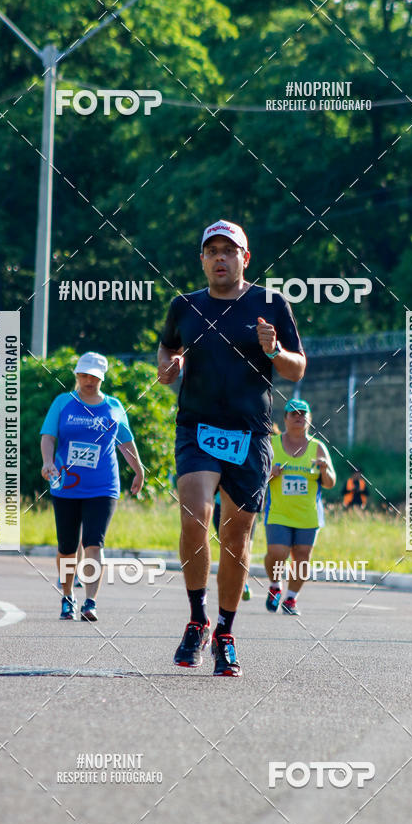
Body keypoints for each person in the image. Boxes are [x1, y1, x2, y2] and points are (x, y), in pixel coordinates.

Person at [158, 218, 306, 676]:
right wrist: (170, 367)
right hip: (197, 428)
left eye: (229, 250)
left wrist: (275, 350)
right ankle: (196, 619)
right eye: (212, 251)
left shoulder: (271, 303)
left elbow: (296, 369)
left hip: (251, 433)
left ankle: (225, 631)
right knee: (196, 515)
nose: (220, 258)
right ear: (202, 259)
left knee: (237, 533)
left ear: (245, 258)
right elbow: (165, 352)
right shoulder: (185, 306)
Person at [40, 352, 144, 621]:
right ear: (77, 376)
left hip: (103, 486)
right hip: (66, 484)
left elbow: (125, 443)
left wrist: (138, 470)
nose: (88, 380)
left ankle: (90, 601)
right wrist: (47, 462)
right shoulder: (63, 402)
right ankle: (67, 596)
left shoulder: (114, 406)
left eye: (94, 376)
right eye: (84, 375)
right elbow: (48, 437)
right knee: (67, 545)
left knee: (93, 543)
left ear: (102, 378)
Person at [264, 399, 336, 615]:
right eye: (293, 413)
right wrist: (271, 473)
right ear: (285, 418)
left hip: (308, 515)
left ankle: (291, 599)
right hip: (278, 511)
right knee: (278, 552)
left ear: (308, 418)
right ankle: (275, 585)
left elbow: (330, 482)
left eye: (302, 413)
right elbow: (257, 477)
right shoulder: (272, 444)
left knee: (302, 557)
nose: (298, 416)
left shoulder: (317, 447)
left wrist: (324, 469)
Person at [212, 488, 255, 600]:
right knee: (228, 548)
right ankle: (232, 581)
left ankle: (243, 581)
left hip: (247, 504)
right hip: (221, 506)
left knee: (245, 547)